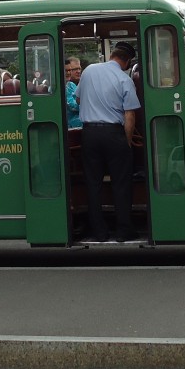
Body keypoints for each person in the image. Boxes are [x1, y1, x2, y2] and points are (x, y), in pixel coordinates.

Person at [76, 41, 141, 242]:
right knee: (121, 183)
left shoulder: (88, 71)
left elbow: (78, 99)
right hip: (113, 134)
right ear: (127, 61)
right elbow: (129, 115)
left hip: (89, 134)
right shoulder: (124, 79)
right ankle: (123, 231)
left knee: (93, 183)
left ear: (112, 55)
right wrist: (127, 143)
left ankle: (99, 232)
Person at [64, 56, 82, 128]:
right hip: (70, 124)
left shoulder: (71, 85)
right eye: (75, 69)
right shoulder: (59, 88)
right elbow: (72, 105)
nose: (78, 71)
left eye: (79, 68)